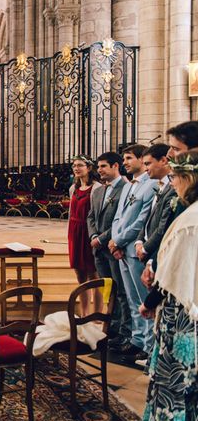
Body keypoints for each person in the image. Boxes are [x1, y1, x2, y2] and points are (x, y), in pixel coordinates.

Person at [138, 149, 198, 421]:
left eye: (176, 176)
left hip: (182, 318)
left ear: (190, 178)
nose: (172, 182)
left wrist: (149, 302)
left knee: (174, 384)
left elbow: (175, 277)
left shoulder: (190, 222)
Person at [109, 144, 157, 362]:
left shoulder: (152, 185)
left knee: (142, 297)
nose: (125, 162)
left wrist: (119, 240)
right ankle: (137, 339)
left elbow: (142, 220)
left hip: (135, 250)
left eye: (129, 158)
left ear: (140, 159)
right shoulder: (129, 185)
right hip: (121, 248)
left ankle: (148, 344)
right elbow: (119, 215)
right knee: (130, 297)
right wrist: (115, 240)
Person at [87, 152, 130, 349]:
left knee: (121, 291)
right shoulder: (97, 191)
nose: (99, 170)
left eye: (103, 166)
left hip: (114, 247)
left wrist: (102, 239)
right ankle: (111, 327)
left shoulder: (126, 188)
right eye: (98, 166)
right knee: (109, 290)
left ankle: (124, 331)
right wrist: (93, 236)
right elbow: (91, 217)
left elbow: (123, 219)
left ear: (115, 166)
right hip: (99, 249)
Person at [136, 144, 176, 288]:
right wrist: (139, 241)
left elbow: (163, 227)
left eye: (148, 163)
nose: (145, 169)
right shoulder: (158, 186)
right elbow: (148, 218)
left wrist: (146, 249)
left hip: (157, 254)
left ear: (164, 161)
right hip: (146, 252)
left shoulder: (173, 188)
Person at [67, 155, 102, 316]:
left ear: (89, 168)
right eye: (74, 165)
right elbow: (70, 213)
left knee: (94, 275)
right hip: (75, 232)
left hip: (89, 232)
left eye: (80, 165)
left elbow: (97, 214)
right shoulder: (73, 189)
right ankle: (84, 313)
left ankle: (97, 314)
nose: (76, 168)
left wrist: (96, 235)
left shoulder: (97, 188)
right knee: (80, 275)